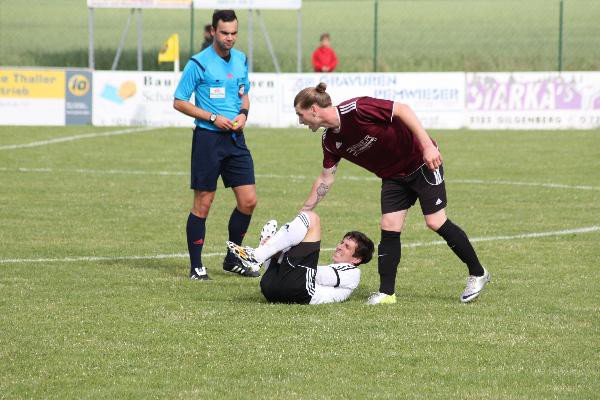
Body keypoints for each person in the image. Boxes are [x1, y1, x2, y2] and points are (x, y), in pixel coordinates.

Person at [293, 83, 491, 304]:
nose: (300, 121)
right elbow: (325, 178)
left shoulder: (356, 108)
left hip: (421, 163)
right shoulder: (329, 141)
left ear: (313, 109)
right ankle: (387, 293)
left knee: (435, 221)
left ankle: (478, 273)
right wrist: (303, 214)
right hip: (393, 177)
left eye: (300, 114)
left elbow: (402, 110)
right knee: (389, 225)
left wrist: (427, 146)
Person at [173, 9, 258, 280]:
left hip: (235, 139)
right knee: (204, 203)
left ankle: (233, 258)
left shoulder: (241, 59)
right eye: (224, 33)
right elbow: (179, 101)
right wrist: (212, 117)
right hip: (208, 140)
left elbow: (244, 95)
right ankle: (196, 267)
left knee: (249, 201)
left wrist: (243, 114)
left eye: (234, 33)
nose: (229, 38)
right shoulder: (198, 63)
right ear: (213, 32)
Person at [226, 211, 375, 304]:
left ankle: (262, 254)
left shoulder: (353, 273)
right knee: (290, 238)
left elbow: (319, 275)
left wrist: (287, 253)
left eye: (347, 246)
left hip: (299, 291)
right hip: (273, 289)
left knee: (311, 219)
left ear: (356, 259)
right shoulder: (342, 272)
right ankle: (264, 253)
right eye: (341, 243)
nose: (339, 246)